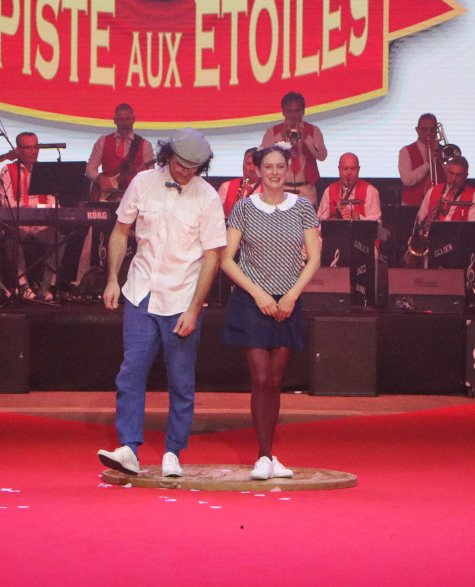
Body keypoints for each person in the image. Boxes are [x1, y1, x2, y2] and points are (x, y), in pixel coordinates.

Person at [97, 129, 226, 479]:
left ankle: (173, 451)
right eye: (181, 164)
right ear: (167, 155)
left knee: (181, 380)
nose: (185, 172)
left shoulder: (208, 198)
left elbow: (213, 258)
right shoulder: (142, 182)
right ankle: (128, 448)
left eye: (194, 167)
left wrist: (195, 308)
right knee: (131, 371)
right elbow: (121, 231)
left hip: (182, 299)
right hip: (140, 292)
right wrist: (113, 278)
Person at [220, 145, 321, 481]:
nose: (275, 172)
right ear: (257, 170)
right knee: (260, 377)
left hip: (288, 302)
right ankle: (262, 457)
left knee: (276, 380)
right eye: (268, 167)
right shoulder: (243, 209)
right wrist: (259, 293)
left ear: (288, 169)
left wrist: (291, 295)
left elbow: (314, 259)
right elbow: (226, 260)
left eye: (280, 167)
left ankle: (269, 455)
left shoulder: (304, 207)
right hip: (252, 301)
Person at [0, 132, 61, 300]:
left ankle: (45, 287)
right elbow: (7, 204)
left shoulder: (45, 171)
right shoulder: (7, 170)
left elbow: (52, 200)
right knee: (11, 240)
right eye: (28, 147)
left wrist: (44, 211)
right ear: (18, 150)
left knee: (59, 239)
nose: (34, 151)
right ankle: (23, 286)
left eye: (36, 146)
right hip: (18, 225)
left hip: (41, 224)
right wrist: (29, 209)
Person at [260, 91, 326, 203]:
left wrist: (306, 137)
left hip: (306, 190)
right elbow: (261, 155)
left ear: (303, 111)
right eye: (289, 111)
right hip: (280, 188)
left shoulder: (313, 130)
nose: (293, 115)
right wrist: (280, 136)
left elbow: (322, 156)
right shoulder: (272, 132)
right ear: (283, 112)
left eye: (297, 111)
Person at [86, 103, 154, 201]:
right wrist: (100, 178)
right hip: (106, 198)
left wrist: (144, 174)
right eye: (121, 120)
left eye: (128, 119)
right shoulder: (103, 141)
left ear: (134, 120)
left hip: (133, 198)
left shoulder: (145, 145)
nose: (125, 123)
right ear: (115, 121)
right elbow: (90, 167)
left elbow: (151, 175)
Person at [416, 155, 475, 225]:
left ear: (465, 176)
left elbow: (472, 227)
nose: (454, 178)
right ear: (447, 172)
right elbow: (419, 220)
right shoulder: (431, 191)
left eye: (458, 175)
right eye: (451, 173)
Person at [316, 152, 382, 221]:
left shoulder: (370, 191)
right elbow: (321, 219)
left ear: (358, 169)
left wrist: (357, 217)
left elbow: (375, 222)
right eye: (345, 168)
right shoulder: (329, 190)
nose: (349, 173)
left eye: (353, 168)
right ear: (339, 169)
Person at [399, 113, 442, 206]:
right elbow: (406, 180)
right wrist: (428, 164)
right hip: (412, 205)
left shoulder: (444, 151)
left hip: (439, 204)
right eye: (424, 129)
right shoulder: (405, 151)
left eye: (432, 129)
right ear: (417, 130)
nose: (429, 133)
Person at [218, 148, 261, 217]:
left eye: (256, 165)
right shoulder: (226, 186)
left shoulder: (268, 189)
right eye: (248, 164)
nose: (252, 168)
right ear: (243, 165)